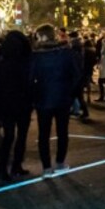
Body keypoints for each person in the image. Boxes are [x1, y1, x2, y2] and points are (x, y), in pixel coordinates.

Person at [31, 24, 80, 178]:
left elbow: (30, 78)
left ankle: (46, 167)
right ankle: (60, 162)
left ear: (43, 37)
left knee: (44, 134)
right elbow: (76, 75)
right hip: (62, 98)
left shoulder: (36, 56)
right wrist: (70, 92)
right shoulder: (65, 53)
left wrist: (35, 94)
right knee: (62, 132)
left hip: (43, 98)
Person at [0, 30, 33, 181]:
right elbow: (31, 82)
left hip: (6, 102)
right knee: (21, 136)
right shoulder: (26, 60)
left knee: (8, 137)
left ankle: (3, 169)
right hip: (23, 102)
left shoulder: (1, 60)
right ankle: (17, 165)